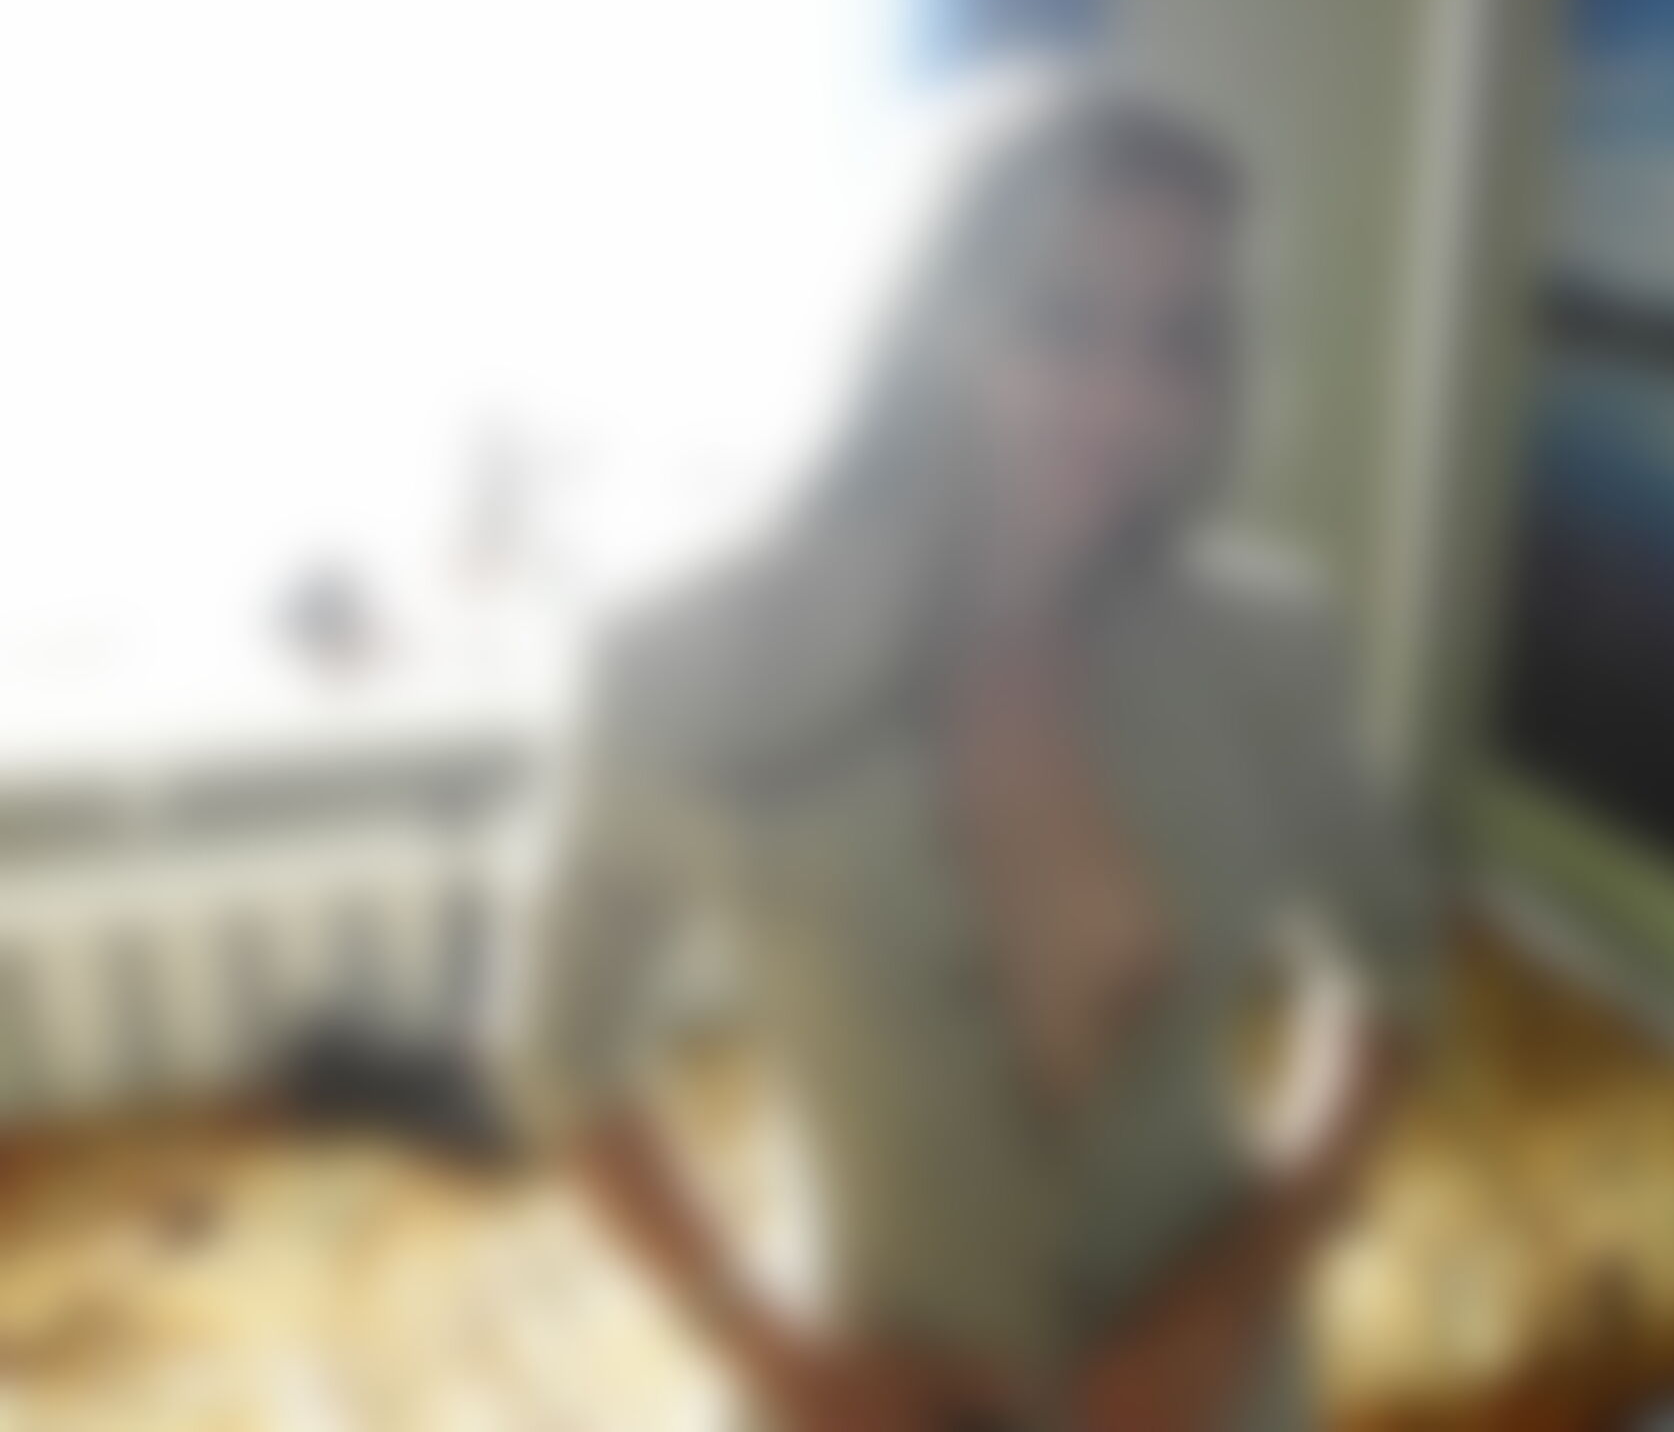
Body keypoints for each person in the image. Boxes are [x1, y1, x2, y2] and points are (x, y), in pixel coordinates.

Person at [521, 76, 1441, 1432]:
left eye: (1179, 340)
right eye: (1059, 319)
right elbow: (557, 1057)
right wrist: (768, 1347)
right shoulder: (687, 661)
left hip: (1213, 1395)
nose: (1125, 398)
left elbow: (1393, 968)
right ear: (929, 315)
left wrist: (1242, 1279)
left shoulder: (1266, 645)